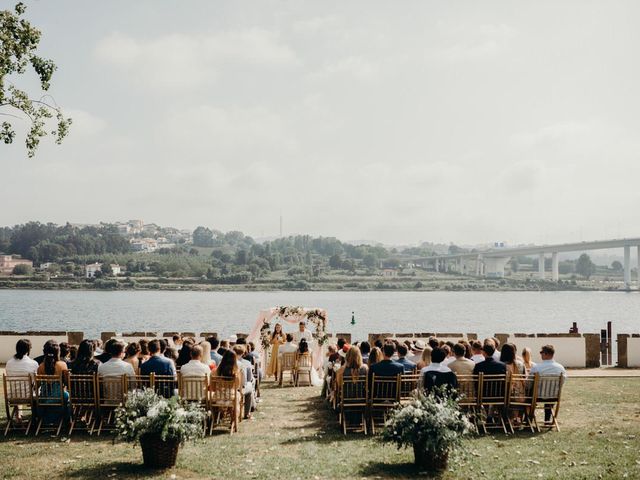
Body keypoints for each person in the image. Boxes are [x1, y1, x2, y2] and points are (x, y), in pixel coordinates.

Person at [529, 344, 567, 424]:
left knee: (528, 394)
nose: (540, 354)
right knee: (549, 395)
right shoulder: (560, 368)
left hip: (537, 396)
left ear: (546, 354)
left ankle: (528, 419)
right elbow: (563, 382)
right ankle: (547, 419)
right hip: (553, 396)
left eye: (541, 352)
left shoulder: (537, 367)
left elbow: (529, 382)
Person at [214, 350, 242, 427]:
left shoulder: (218, 370)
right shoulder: (236, 372)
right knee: (238, 395)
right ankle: (233, 419)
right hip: (231, 397)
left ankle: (218, 417)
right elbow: (237, 386)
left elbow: (214, 384)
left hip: (218, 398)